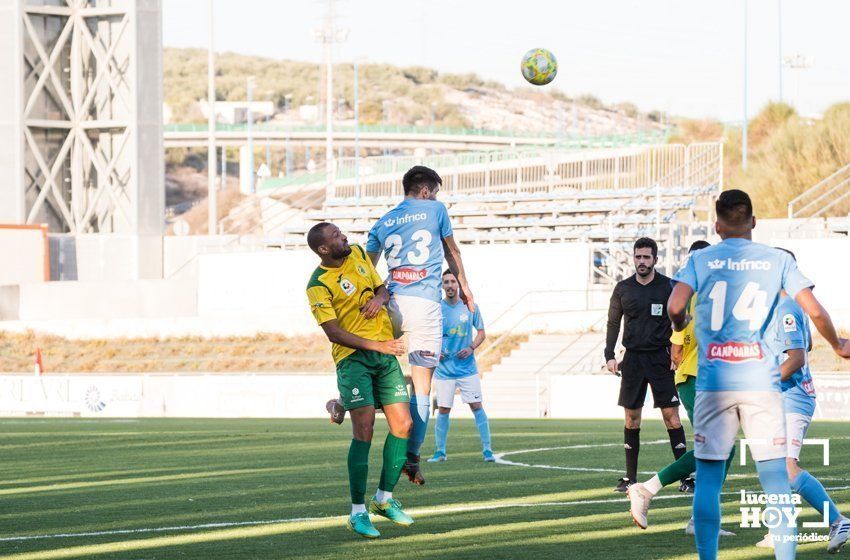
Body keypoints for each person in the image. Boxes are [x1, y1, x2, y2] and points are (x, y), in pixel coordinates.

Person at [667, 189, 850, 560]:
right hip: (759, 383)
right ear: (753, 222)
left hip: (716, 382)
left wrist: (681, 321)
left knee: (709, 477)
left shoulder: (701, 259)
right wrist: (838, 344)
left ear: (716, 226)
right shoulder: (775, 260)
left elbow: (675, 305)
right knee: (776, 479)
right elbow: (814, 311)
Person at [366, 165, 475, 486]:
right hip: (426, 306)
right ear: (426, 191)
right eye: (435, 192)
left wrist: (382, 290)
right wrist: (466, 288)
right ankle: (412, 459)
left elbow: (367, 268)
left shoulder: (383, 222)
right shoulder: (436, 209)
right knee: (423, 388)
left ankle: (356, 398)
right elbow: (451, 250)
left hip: (392, 305)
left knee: (372, 360)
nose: (436, 198)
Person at [305, 222, 414, 539]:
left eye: (341, 232)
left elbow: (380, 287)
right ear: (324, 249)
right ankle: (357, 513)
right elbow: (333, 332)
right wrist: (378, 345)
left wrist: (380, 299)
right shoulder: (318, 284)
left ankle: (384, 499)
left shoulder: (359, 255)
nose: (345, 237)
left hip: (385, 354)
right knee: (364, 430)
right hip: (353, 359)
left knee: (403, 425)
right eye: (337, 236)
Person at [628, 241, 736, 536]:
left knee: (725, 450)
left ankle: (699, 519)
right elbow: (679, 338)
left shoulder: (704, 294)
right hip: (697, 378)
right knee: (715, 446)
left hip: (710, 379)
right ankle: (646, 489)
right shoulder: (698, 296)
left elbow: (681, 340)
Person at [753, 248, 850, 553]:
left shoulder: (785, 309)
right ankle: (778, 528)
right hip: (781, 399)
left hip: (792, 398)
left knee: (786, 467)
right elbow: (803, 342)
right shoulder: (780, 306)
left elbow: (796, 358)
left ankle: (838, 520)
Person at [604, 237, 686, 492]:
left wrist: (676, 350)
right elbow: (613, 323)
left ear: (655, 260)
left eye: (646, 257)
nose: (642, 262)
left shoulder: (668, 287)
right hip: (633, 360)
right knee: (631, 419)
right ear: (633, 258)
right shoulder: (622, 289)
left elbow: (680, 320)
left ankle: (686, 478)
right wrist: (609, 354)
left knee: (671, 418)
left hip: (661, 359)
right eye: (638, 257)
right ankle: (630, 479)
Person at [427, 270, 494, 463]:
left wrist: (471, 347)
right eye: (446, 282)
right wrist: (435, 351)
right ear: (442, 285)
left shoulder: (470, 306)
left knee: (476, 406)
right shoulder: (436, 309)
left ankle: (487, 450)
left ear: (458, 284)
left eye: (452, 281)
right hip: (444, 370)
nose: (449, 285)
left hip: (467, 369)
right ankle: (440, 452)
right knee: (444, 409)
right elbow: (430, 335)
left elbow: (481, 333)